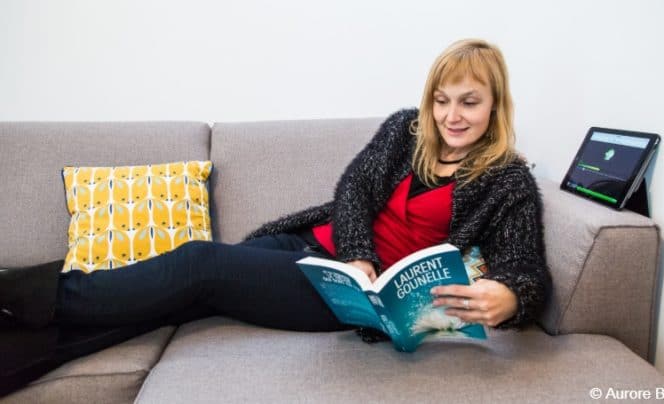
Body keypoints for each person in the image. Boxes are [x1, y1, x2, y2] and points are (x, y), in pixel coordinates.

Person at [0, 39, 550, 342]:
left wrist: (511, 299)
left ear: (495, 106)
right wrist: (357, 254)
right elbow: (355, 188)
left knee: (198, 266)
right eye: (442, 100)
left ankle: (23, 297)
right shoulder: (406, 128)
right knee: (181, 295)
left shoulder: (508, 182)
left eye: (469, 102)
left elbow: (527, 270)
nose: (451, 116)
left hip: (351, 298)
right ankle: (31, 342)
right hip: (313, 248)